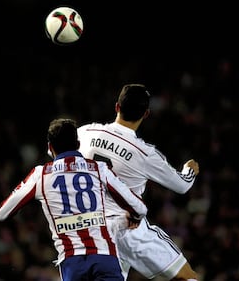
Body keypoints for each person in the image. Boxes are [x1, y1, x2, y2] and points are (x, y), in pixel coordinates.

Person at [0, 118, 148, 281]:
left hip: (72, 264)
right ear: (77, 144)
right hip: (104, 257)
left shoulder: (40, 175)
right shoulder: (99, 169)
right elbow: (139, 208)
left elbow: (2, 213)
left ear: (50, 147)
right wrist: (134, 217)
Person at [77, 84, 200, 281]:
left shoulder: (85, 133)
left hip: (91, 231)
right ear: (146, 114)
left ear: (117, 107)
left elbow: (56, 152)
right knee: (187, 278)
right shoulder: (144, 153)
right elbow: (182, 185)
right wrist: (189, 170)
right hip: (130, 233)